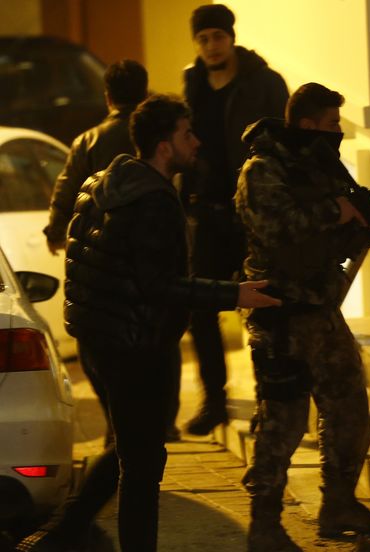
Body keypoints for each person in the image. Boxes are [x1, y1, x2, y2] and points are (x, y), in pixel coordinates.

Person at [16, 94, 281, 552]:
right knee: (142, 466)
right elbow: (160, 286)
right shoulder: (154, 203)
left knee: (129, 448)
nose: (196, 143)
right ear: (164, 146)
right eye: (186, 134)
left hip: (102, 342)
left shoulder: (105, 183)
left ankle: (59, 534)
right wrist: (232, 294)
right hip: (133, 345)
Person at [234, 83, 370, 551]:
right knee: (282, 421)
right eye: (332, 124)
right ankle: (264, 524)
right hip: (281, 314)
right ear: (307, 125)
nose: (339, 133)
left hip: (321, 309)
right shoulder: (262, 170)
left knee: (349, 403)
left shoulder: (322, 169)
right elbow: (276, 228)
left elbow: (331, 239)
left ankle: (339, 502)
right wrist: (338, 210)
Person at [40, 59, 183, 444]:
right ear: (145, 91)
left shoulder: (87, 141)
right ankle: (160, 421)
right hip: (151, 252)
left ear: (107, 96)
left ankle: (117, 427)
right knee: (161, 335)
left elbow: (67, 188)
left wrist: (56, 231)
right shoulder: (156, 137)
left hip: (105, 258)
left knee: (108, 345)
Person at [180, 3, 290, 436]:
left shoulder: (262, 83)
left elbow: (286, 144)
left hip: (253, 213)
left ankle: (269, 399)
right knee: (200, 306)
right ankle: (215, 400)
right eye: (203, 39)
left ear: (232, 37)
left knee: (261, 308)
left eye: (218, 37)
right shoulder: (192, 84)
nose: (211, 46)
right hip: (205, 212)